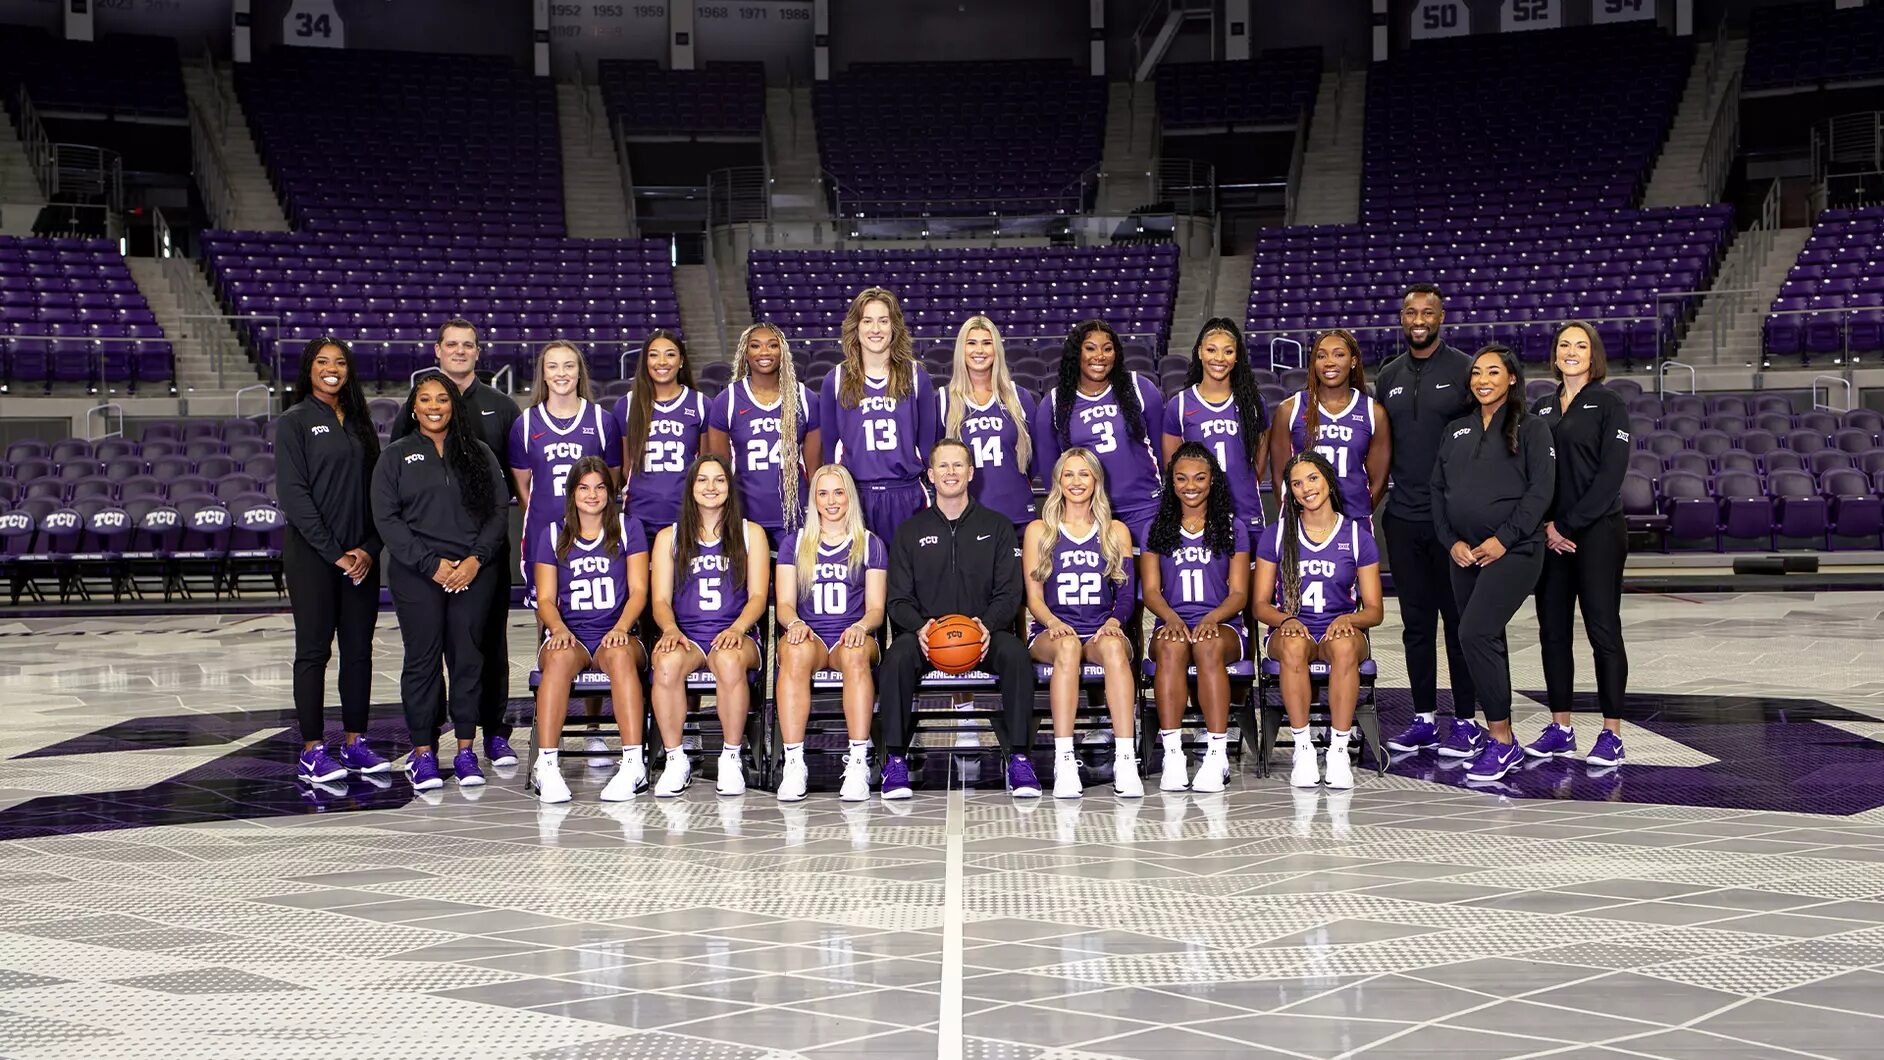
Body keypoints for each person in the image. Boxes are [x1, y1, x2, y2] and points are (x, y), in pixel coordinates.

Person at [391, 318, 523, 769]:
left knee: (488, 646)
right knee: (428, 653)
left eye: (468, 345)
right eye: (452, 344)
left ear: (478, 352)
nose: (460, 351)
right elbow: (399, 478)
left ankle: (493, 733)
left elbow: (514, 480)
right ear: (438, 350)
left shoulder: (501, 406)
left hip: (484, 554)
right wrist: (428, 559)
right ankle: (427, 742)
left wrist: (479, 553)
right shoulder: (414, 408)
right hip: (428, 558)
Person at [879, 439, 1039, 800]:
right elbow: (897, 598)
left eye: (958, 465)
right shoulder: (909, 531)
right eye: (943, 466)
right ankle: (896, 760)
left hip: (981, 632)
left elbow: (1010, 592)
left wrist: (987, 625)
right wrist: (919, 627)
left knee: (1016, 655)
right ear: (930, 475)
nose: (950, 472)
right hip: (928, 634)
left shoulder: (997, 527)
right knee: (896, 659)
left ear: (970, 473)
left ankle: (1019, 757)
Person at [372, 371, 509, 790]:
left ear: (454, 406)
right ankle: (423, 753)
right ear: (414, 408)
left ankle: (466, 751)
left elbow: (498, 512)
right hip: (418, 575)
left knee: (468, 659)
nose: (434, 406)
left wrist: (474, 561)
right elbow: (386, 519)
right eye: (426, 400)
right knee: (423, 661)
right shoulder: (395, 456)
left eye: (443, 399)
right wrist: (430, 564)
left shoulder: (478, 452)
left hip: (473, 573)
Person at [1430, 345, 1555, 783]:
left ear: (1512, 378)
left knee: (1475, 632)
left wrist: (1504, 539)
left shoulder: (1533, 428)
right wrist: (1451, 542)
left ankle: (1501, 740)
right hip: (1464, 554)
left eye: (1493, 372)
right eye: (1477, 373)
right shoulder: (1456, 430)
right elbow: (1437, 491)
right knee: (1484, 640)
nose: (1483, 380)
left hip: (1515, 550)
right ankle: (1501, 737)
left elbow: (1541, 491)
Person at [1375, 285, 1479, 757]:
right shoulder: (1389, 375)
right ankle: (1423, 719)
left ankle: (1466, 722)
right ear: (1402, 318)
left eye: (1428, 312)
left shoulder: (1463, 370)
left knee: (1459, 625)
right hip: (1403, 518)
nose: (1419, 320)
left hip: (1452, 521)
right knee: (1416, 626)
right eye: (1411, 312)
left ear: (1441, 317)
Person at [276, 336, 386, 782]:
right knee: (314, 651)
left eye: (340, 362)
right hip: (313, 557)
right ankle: (311, 750)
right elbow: (294, 496)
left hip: (360, 558)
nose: (332, 369)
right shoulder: (295, 421)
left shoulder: (360, 422)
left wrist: (368, 548)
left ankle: (355, 743)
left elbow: (379, 491)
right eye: (322, 361)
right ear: (309, 369)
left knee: (358, 651)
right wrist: (335, 553)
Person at [509, 340, 622, 764]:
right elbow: (524, 487)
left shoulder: (601, 421)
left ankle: (593, 729)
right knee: (552, 630)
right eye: (553, 366)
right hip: (547, 541)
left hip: (595, 537)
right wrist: (551, 527)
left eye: (569, 366)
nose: (561, 373)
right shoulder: (525, 424)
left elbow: (611, 479)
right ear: (543, 373)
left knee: (600, 620)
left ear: (579, 372)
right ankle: (549, 737)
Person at [1527, 321, 1631, 767]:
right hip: (1550, 537)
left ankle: (1612, 734)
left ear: (1593, 355)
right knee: (1552, 632)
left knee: (1603, 630)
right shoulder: (1541, 407)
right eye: (1564, 344)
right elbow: (1533, 473)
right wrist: (1545, 526)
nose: (1571, 351)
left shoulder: (1609, 403)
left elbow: (1610, 477)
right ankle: (1561, 728)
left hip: (1597, 533)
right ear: (1555, 354)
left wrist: (1566, 525)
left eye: (1581, 345)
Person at [1251, 451, 1385, 789]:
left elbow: (1375, 610)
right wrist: (1285, 619)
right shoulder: (1277, 534)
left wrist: (1350, 619)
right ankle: (1304, 748)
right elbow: (1260, 605)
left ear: (1328, 480)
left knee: (1344, 646)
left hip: (1337, 630)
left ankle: (1338, 750)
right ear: (1290, 492)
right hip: (1293, 631)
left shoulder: (1356, 536)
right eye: (1296, 483)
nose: (1306, 488)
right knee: (1294, 646)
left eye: (1312, 478)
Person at [528, 457, 651, 804]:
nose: (592, 495)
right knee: (557, 658)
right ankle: (547, 765)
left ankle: (633, 764)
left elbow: (639, 591)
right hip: (573, 633)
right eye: (584, 487)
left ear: (610, 493)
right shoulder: (553, 534)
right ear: (572, 493)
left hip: (617, 631)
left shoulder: (628, 528)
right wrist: (557, 628)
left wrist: (622, 627)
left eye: (599, 487)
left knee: (621, 655)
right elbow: (545, 598)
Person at [648, 454, 770, 798]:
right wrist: (670, 629)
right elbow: (660, 600)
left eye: (719, 479)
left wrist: (738, 628)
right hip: (687, 636)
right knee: (666, 664)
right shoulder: (669, 537)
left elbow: (758, 596)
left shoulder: (751, 533)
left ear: (730, 487)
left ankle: (730, 757)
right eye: (702, 480)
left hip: (736, 633)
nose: (711, 487)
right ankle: (676, 759)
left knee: (728, 661)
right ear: (691, 487)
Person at [1024, 447, 1142, 800]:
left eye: (1084, 474)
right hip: (1052, 632)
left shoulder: (1115, 531)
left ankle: (1125, 758)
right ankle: (1064, 759)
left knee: (1114, 648)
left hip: (1099, 630)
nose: (1076, 482)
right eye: (1069, 474)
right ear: (1058, 481)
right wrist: (1052, 622)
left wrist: (1114, 622)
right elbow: (1034, 597)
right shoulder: (1040, 530)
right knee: (1068, 646)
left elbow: (1125, 594)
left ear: (1096, 480)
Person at [1141, 442, 1250, 793]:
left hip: (1223, 625)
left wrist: (1211, 618)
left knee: (1207, 645)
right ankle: (1173, 755)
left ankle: (1216, 754)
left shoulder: (1233, 527)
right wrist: (1171, 618)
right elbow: (1151, 591)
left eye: (1199, 478)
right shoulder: (1155, 527)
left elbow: (1239, 594)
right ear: (1171, 482)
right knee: (1171, 647)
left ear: (1212, 480)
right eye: (1182, 478)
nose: (1191, 486)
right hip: (1172, 621)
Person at [774, 464, 887, 803]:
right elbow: (784, 604)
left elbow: (876, 609)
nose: (831, 501)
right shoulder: (795, 543)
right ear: (814, 500)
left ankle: (858, 761)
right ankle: (794, 763)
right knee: (793, 652)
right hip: (811, 635)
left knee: (855, 655)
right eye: (823, 493)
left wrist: (860, 627)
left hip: (851, 634)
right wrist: (795, 624)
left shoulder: (869, 543)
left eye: (838, 492)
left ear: (850, 496)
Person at [819, 288, 938, 547]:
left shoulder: (916, 376)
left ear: (894, 326)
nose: (876, 329)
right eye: (867, 321)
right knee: (861, 572)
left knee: (909, 571)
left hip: (906, 493)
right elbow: (830, 450)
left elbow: (928, 447)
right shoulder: (835, 380)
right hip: (855, 496)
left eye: (883, 321)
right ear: (856, 326)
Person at [1033, 319, 1164, 546]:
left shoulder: (1140, 388)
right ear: (1077, 353)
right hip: (1088, 513)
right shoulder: (1054, 404)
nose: (1100, 356)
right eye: (1090, 348)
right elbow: (1050, 472)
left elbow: (1161, 450)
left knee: (1149, 570)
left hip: (1145, 507)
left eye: (1107, 349)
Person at [706, 322, 820, 551]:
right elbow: (719, 469)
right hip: (746, 514)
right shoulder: (727, 400)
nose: (764, 352)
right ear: (745, 353)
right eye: (756, 346)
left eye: (772, 345)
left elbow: (815, 470)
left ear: (783, 351)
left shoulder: (805, 399)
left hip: (794, 514)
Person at [1270, 329, 1390, 529]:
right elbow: (1279, 477)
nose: (1329, 362)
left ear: (1353, 361)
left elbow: (1379, 480)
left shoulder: (1373, 412)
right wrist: (1299, 514)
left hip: (1354, 522)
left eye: (1339, 354)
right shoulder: (1289, 409)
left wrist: (1359, 513)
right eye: (1321, 356)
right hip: (1303, 524)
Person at [1162, 318, 1268, 535]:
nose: (1219, 358)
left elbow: (1258, 466)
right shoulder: (1179, 405)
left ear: (1236, 357)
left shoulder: (1254, 404)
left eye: (1228, 351)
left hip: (1246, 511)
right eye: (1211, 350)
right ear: (1200, 352)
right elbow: (1173, 468)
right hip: (1199, 517)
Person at [939, 314, 1038, 530]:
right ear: (961, 349)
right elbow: (934, 459)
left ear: (996, 349)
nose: (979, 350)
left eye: (986, 343)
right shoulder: (944, 400)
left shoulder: (1019, 396)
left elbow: (1035, 455)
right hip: (965, 516)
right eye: (971, 343)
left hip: (1016, 512)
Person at [617, 329, 708, 529]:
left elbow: (706, 464)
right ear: (645, 361)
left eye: (670, 354)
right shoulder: (627, 405)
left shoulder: (701, 404)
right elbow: (626, 466)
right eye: (654, 355)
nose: (662, 362)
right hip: (638, 517)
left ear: (681, 361)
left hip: (686, 517)